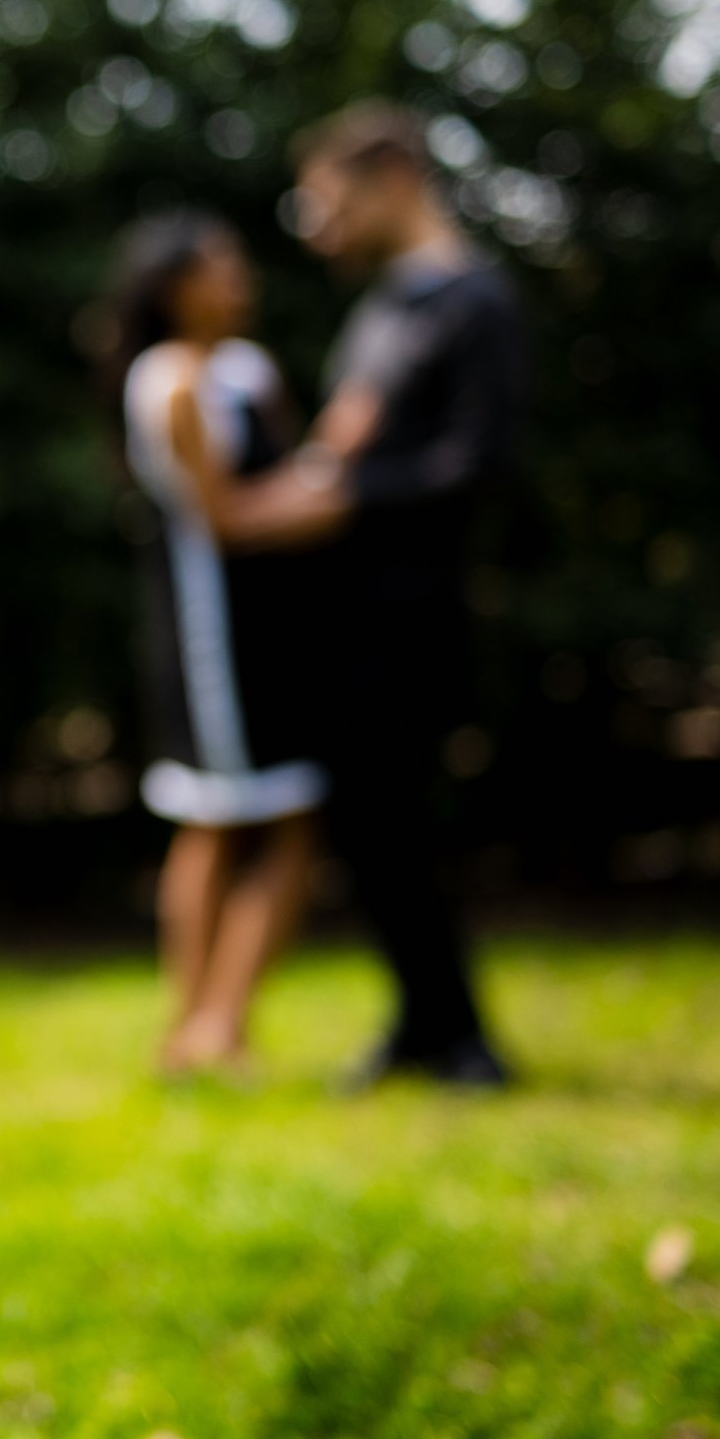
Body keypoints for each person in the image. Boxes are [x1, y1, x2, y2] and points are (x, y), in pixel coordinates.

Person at [211, 100, 525, 1088]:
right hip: (345, 614)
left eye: (327, 201)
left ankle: (462, 1034)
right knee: (365, 824)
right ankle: (422, 1022)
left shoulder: (476, 303)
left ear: (393, 179)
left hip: (414, 611)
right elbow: (347, 439)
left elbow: (473, 464)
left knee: (400, 818)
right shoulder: (386, 307)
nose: (314, 228)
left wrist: (338, 499)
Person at [104, 212, 325, 1075]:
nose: (241, 280)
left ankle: (205, 1030)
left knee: (247, 821)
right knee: (242, 820)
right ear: (173, 289)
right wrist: (348, 489)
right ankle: (208, 1029)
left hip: (279, 625)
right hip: (218, 638)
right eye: (219, 267)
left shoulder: (247, 368)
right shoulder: (169, 382)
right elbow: (223, 515)